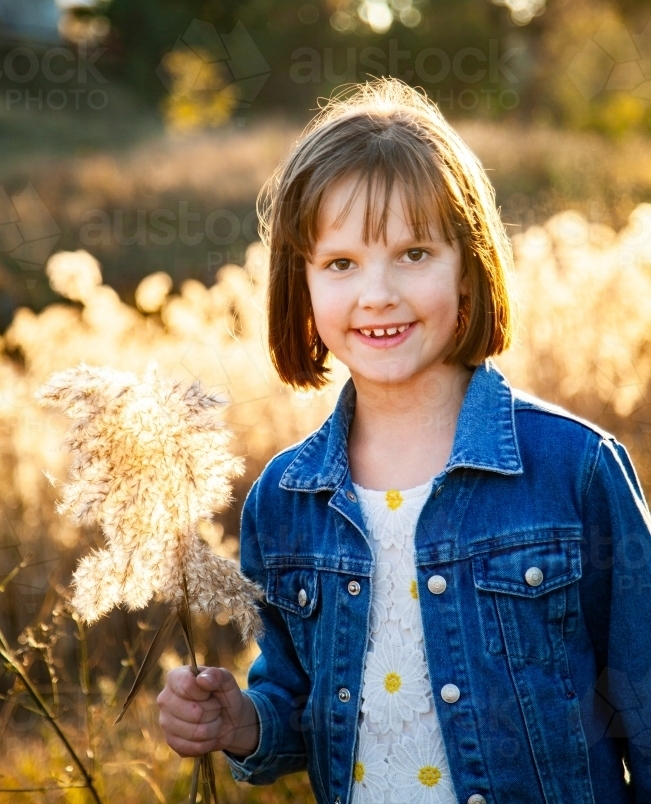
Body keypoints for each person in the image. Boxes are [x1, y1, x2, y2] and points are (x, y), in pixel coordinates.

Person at [157, 78, 651, 803]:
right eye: (340, 264)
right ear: (302, 284)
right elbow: (299, 707)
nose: (376, 293)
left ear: (469, 268)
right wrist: (241, 722)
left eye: (414, 253)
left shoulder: (572, 470)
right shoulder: (286, 499)